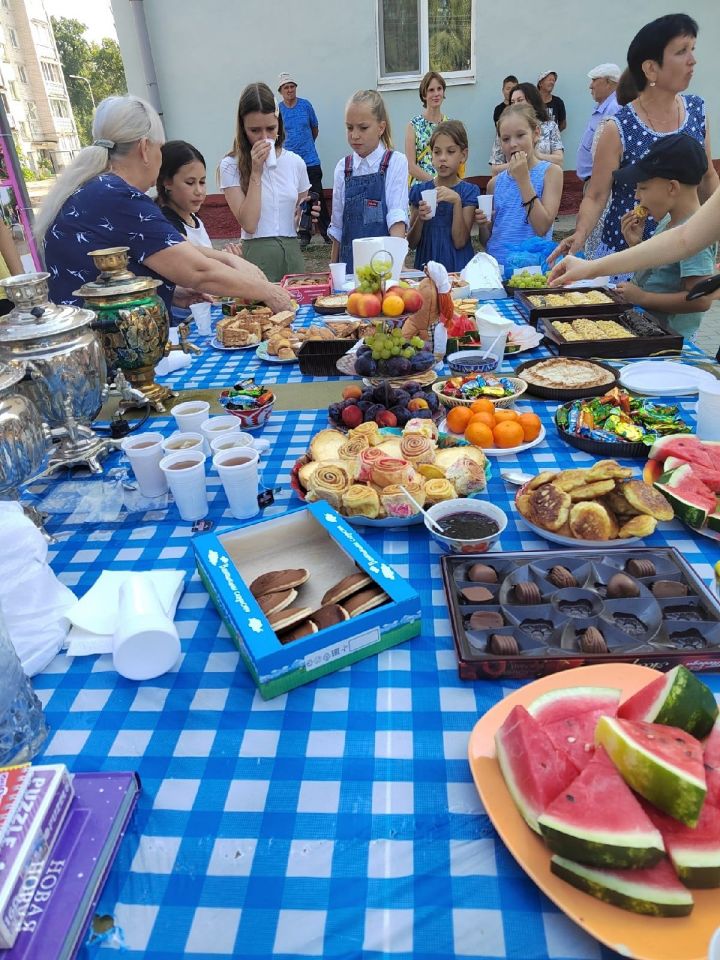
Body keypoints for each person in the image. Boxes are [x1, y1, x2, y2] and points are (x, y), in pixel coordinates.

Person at [37, 94, 291, 313]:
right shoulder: (118, 197)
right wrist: (267, 290)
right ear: (146, 148)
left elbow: (162, 250)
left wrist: (168, 291)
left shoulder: (96, 189)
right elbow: (198, 271)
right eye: (160, 149)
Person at [550, 13, 719, 266]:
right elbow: (596, 195)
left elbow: (707, 178)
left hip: (685, 254)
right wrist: (580, 235)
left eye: (692, 50)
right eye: (682, 51)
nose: (692, 61)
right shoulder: (617, 127)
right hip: (626, 256)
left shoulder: (697, 111)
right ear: (651, 68)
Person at [554, 134, 716, 339]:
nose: (637, 196)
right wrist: (635, 245)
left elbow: (701, 300)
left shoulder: (696, 234)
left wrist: (644, 298)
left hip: (673, 339)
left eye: (643, 188)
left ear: (672, 187)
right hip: (650, 328)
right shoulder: (668, 222)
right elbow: (660, 271)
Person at [219, 82, 311, 282]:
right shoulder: (230, 165)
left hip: (291, 251)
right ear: (243, 128)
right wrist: (256, 172)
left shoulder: (295, 162)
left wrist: (308, 213)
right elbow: (249, 224)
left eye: (271, 128)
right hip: (257, 254)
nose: (264, 137)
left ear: (279, 123)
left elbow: (301, 214)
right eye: (255, 130)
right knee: (258, 312)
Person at [329, 89, 409, 273]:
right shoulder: (343, 167)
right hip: (350, 268)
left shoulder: (395, 162)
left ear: (381, 128)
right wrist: (333, 270)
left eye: (363, 128)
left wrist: (398, 263)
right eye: (349, 128)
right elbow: (337, 226)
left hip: (384, 265)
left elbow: (397, 216)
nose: (354, 135)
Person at [477, 104, 563, 268]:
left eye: (520, 135)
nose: (513, 144)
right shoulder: (495, 184)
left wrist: (523, 179)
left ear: (536, 133)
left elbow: (542, 227)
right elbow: (487, 241)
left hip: (531, 272)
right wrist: (483, 226)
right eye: (506, 139)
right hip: (497, 269)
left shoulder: (551, 173)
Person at [407, 120, 479, 271]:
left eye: (450, 151)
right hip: (427, 265)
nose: (443, 158)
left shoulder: (468, 192)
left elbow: (460, 241)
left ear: (463, 155)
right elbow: (411, 243)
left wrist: (457, 203)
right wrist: (420, 218)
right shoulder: (420, 192)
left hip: (457, 267)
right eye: (437, 152)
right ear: (431, 155)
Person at [276, 72, 330, 243]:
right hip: (289, 163)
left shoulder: (306, 105)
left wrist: (307, 145)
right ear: (281, 91)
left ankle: (327, 233)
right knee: (297, 198)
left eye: (292, 86)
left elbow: (315, 128)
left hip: (310, 160)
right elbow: (276, 135)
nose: (290, 90)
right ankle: (304, 234)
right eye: (286, 87)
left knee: (316, 196)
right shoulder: (278, 110)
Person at [488, 83, 563, 175]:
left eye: (520, 100)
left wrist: (536, 156)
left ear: (533, 101)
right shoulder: (505, 129)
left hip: (545, 180)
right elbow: (495, 169)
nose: (515, 105)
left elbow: (559, 160)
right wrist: (518, 163)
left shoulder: (550, 126)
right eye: (512, 102)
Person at [156, 140, 212, 248]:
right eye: (190, 183)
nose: (199, 191)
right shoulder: (168, 226)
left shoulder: (194, 218)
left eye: (202, 182)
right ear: (167, 182)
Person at [405, 71, 452, 187]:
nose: (436, 93)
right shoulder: (413, 125)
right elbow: (410, 166)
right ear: (424, 95)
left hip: (447, 186)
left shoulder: (450, 125)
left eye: (439, 89)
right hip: (421, 188)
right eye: (431, 90)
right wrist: (434, 182)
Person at [576, 63, 621, 182]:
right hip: (594, 180)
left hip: (600, 182)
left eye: (594, 80)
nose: (590, 86)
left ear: (608, 83)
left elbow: (610, 151)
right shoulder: (603, 107)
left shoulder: (613, 108)